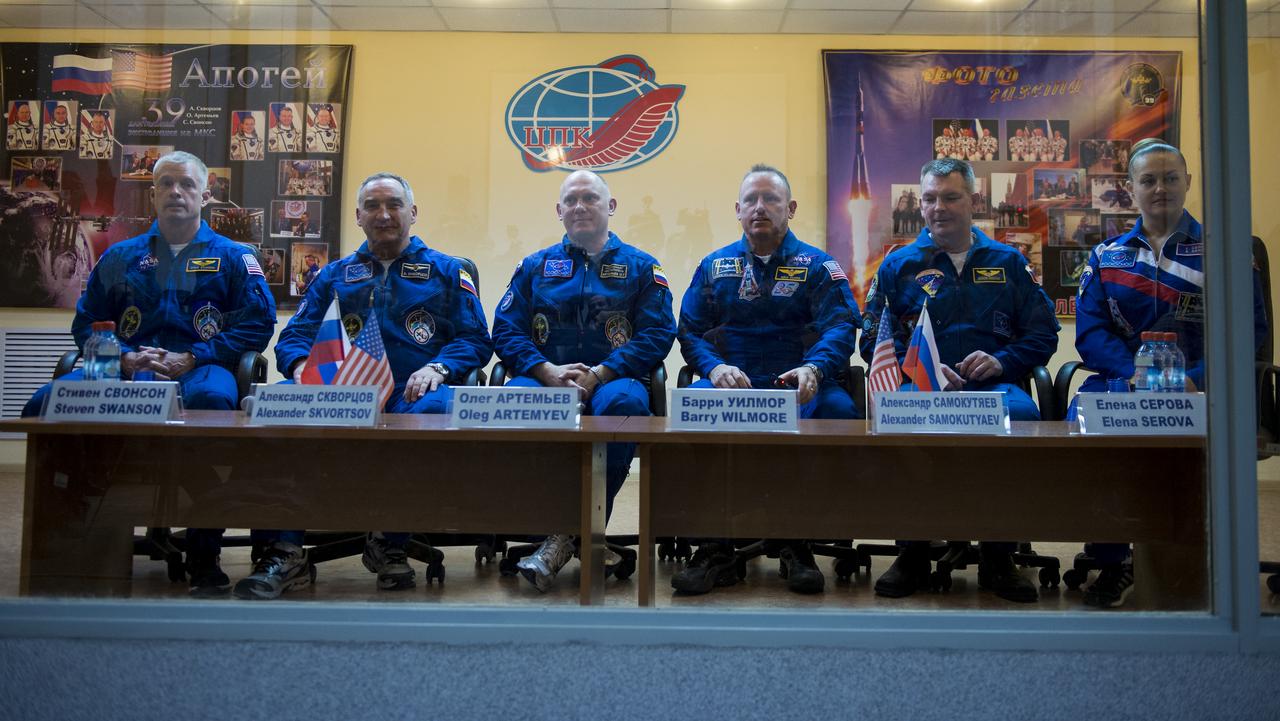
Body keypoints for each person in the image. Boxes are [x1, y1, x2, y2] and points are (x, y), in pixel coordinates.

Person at [20, 151, 277, 596]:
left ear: (206, 195)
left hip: (200, 368)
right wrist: (123, 357)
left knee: (213, 403)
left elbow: (257, 324)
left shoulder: (235, 257)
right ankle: (66, 535)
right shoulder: (120, 257)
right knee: (46, 402)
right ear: (153, 195)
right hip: (125, 370)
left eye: (187, 184)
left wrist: (193, 356)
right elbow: (86, 322)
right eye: (166, 184)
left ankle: (204, 552)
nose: (176, 192)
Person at [244, 171, 493, 599]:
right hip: (341, 393)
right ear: (358, 216)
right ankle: (285, 550)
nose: (384, 214)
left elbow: (475, 339)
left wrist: (439, 367)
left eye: (394, 204)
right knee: (273, 407)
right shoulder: (334, 275)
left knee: (435, 413)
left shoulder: (448, 272)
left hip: (411, 392)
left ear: (413, 213)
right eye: (373, 206)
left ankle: (391, 540)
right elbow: (295, 335)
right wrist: (302, 366)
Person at [1070, 140, 1268, 608]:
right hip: (1126, 382)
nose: (1160, 188)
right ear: (1130, 189)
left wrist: (1200, 377)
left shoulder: (1224, 250)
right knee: (1084, 419)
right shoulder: (1106, 256)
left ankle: (1198, 558)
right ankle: (1112, 559)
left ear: (1188, 183)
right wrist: (1132, 375)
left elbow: (1248, 331)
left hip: (1204, 384)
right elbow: (1091, 334)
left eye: (1171, 178)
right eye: (1149, 180)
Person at [859, 158, 1059, 604]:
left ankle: (999, 555)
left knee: (1023, 416)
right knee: (898, 421)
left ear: (974, 201)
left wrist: (1002, 361)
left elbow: (1044, 334)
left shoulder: (1009, 262)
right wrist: (920, 369)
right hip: (921, 387)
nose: (938, 208)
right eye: (930, 198)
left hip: (992, 388)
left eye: (950, 197)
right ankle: (912, 551)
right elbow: (873, 340)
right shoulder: (897, 266)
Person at [673, 164, 860, 596]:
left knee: (838, 411)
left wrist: (815, 368)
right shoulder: (714, 266)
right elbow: (690, 332)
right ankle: (713, 546)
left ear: (790, 209)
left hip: (797, 382)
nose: (760, 207)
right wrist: (714, 368)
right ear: (737, 210)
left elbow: (839, 328)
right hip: (732, 384)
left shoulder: (818, 266)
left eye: (770, 199)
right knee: (689, 411)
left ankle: (799, 541)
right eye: (751, 200)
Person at [491, 169, 676, 592]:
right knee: (516, 398)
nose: (580, 206)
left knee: (624, 407)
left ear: (611, 206)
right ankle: (571, 533)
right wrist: (545, 371)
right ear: (559, 211)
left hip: (615, 377)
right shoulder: (534, 267)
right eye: (570, 200)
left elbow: (658, 333)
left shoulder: (642, 267)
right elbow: (505, 330)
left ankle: (563, 537)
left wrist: (600, 373)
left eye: (590, 198)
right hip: (546, 378)